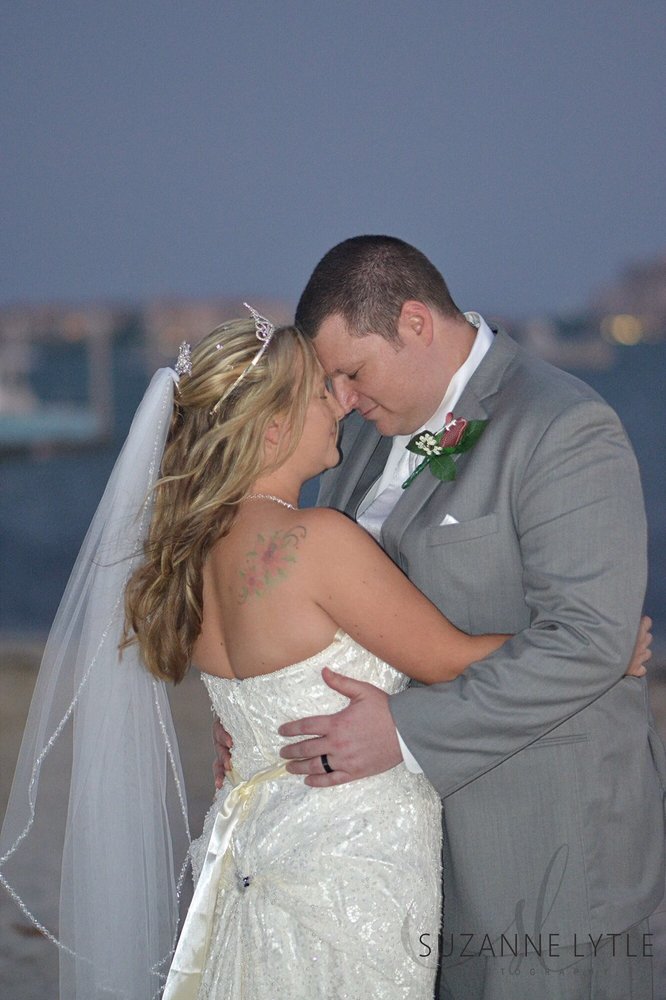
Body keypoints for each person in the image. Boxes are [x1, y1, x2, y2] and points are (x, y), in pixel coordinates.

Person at [8, 307, 646, 1000]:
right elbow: (451, 659)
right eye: (320, 392)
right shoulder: (316, 541)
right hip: (348, 861)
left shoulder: (191, 557)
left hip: (252, 852)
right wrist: (598, 647)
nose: (340, 404)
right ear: (273, 427)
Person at [261, 235, 665, 1000]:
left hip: (542, 842)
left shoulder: (562, 425)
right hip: (397, 849)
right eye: (330, 381)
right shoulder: (357, 442)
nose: (342, 398)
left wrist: (404, 731)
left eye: (352, 371)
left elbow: (588, 640)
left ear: (415, 323)